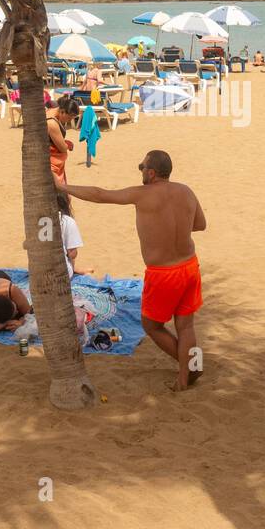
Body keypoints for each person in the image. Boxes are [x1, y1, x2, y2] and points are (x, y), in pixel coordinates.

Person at [63, 149, 207, 391]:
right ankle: (189, 370)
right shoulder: (186, 191)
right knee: (186, 326)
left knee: (151, 325)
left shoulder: (142, 195)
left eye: (141, 166)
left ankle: (187, 371)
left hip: (163, 273)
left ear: (151, 173)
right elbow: (200, 225)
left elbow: (100, 195)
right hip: (190, 266)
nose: (139, 170)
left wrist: (63, 187)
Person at [56, 192, 92, 278]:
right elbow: (72, 253)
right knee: (70, 252)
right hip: (61, 273)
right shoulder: (67, 221)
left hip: (39, 270)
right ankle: (73, 269)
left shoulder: (40, 219)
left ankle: (75, 269)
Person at [47, 96, 79, 184]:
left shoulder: (52, 110)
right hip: (51, 162)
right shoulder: (52, 123)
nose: (69, 121)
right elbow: (62, 148)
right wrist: (67, 144)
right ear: (62, 111)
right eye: (69, 118)